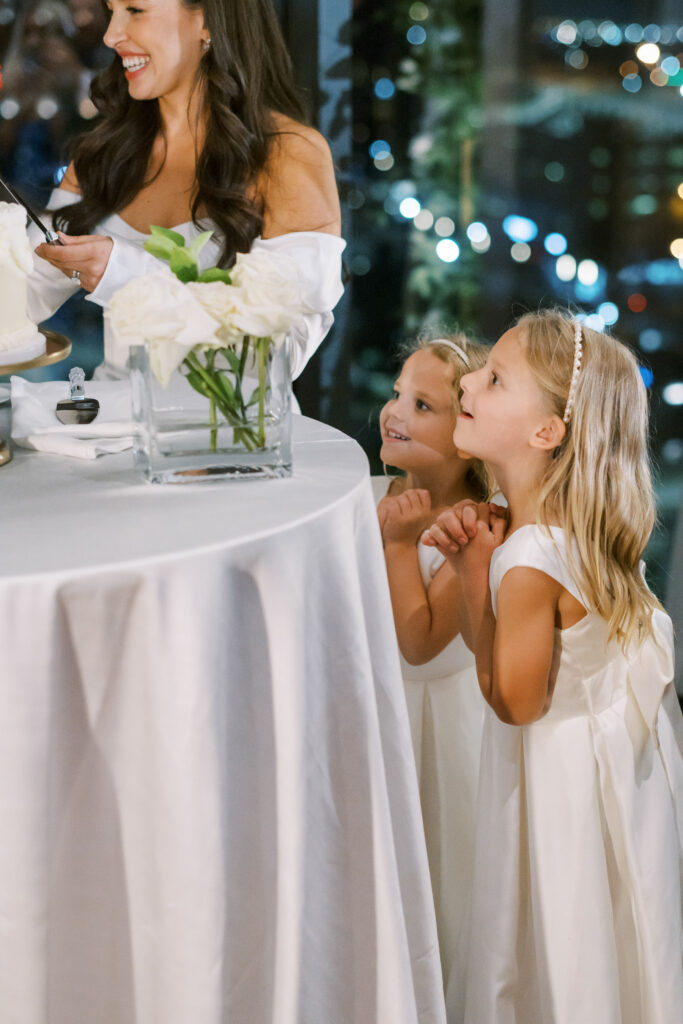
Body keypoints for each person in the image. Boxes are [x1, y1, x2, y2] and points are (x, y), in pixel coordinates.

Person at [424, 309, 683, 1024]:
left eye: (494, 379)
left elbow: (513, 702)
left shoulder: (528, 559)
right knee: (613, 946)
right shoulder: (575, 532)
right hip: (609, 791)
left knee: (552, 956)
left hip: (555, 798)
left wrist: (472, 572)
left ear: (545, 432)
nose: (468, 382)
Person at [25, 0, 344, 381]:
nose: (111, 36)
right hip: (110, 415)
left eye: (135, 10)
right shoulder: (104, 152)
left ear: (206, 20)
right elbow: (23, 293)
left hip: (230, 420)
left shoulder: (289, 153)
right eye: (112, 11)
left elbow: (279, 354)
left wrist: (125, 276)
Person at [372, 333, 493, 1023]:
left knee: (439, 883)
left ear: (466, 434)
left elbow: (418, 644)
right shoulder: (374, 492)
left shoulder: (469, 526)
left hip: (438, 734)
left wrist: (396, 544)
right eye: (397, 394)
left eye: (422, 405)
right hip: (373, 713)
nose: (394, 412)